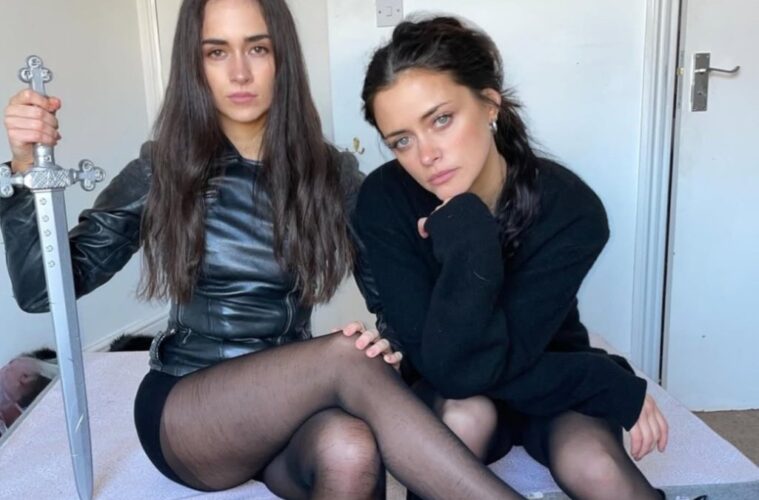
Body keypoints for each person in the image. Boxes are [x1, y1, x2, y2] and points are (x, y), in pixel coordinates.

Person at [0, 2, 525, 499]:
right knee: (345, 353)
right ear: (195, 66)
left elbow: (392, 301)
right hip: (188, 407)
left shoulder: (332, 175)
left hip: (292, 405)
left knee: (351, 447)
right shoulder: (162, 168)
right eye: (216, 52)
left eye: (257, 48)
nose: (239, 73)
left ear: (282, 59)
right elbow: (43, 290)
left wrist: (390, 349)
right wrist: (24, 171)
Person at [355, 16, 669, 500]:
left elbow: (511, 351)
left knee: (594, 463)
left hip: (549, 369)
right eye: (401, 140)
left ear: (489, 104)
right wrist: (468, 231)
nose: (426, 154)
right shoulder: (384, 200)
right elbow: (448, 369)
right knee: (465, 413)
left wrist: (590, 380)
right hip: (451, 388)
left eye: (441, 120)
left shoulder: (571, 208)